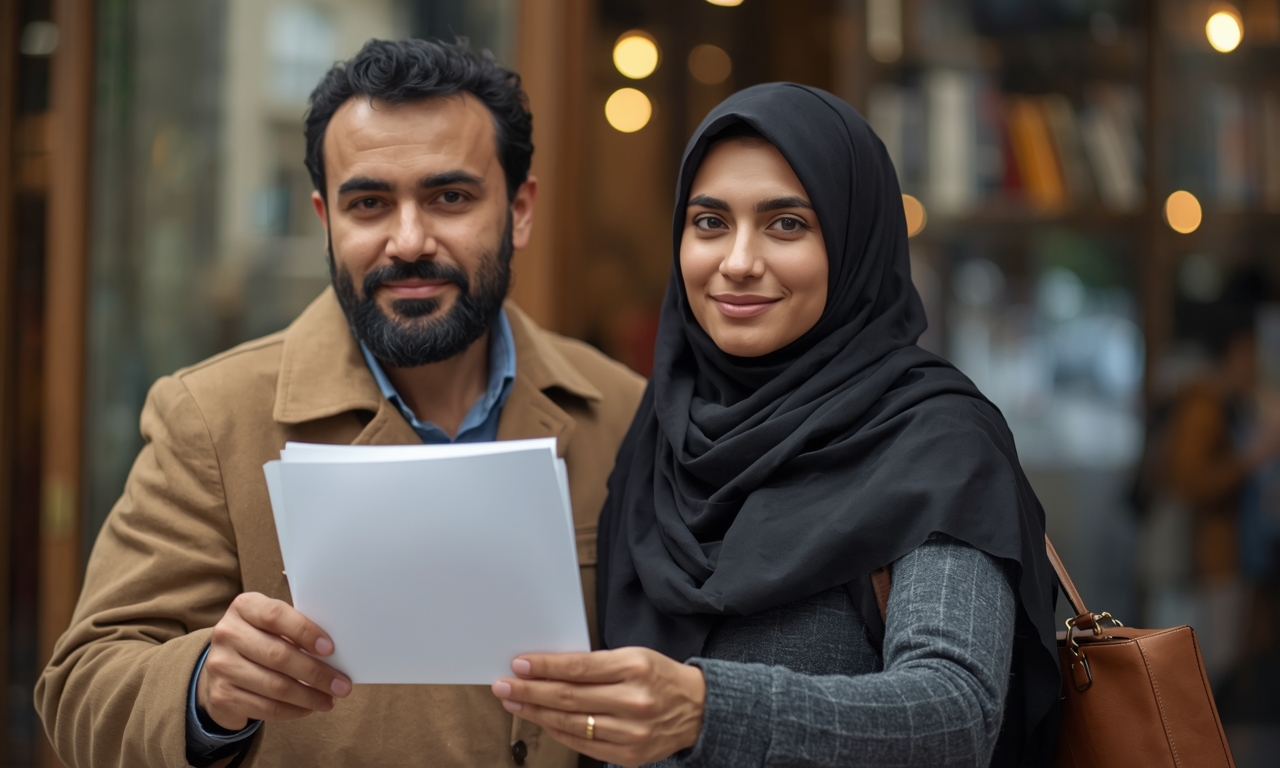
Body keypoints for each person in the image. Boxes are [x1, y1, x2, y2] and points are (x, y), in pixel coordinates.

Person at [36, 39, 645, 767]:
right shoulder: (211, 417)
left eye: (450, 198)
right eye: (369, 204)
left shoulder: (623, 411)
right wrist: (204, 689)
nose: (408, 241)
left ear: (519, 209)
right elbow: (80, 690)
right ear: (326, 220)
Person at [490, 84, 1061, 767]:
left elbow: (954, 712)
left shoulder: (936, 441)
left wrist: (706, 711)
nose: (737, 262)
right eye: (709, 222)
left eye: (786, 224)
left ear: (853, 241)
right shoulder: (661, 435)